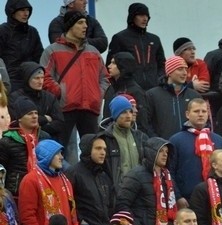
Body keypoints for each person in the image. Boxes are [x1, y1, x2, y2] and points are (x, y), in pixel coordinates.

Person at [40, 10, 108, 147]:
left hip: (90, 108)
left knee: (92, 150)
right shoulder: (52, 51)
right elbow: (44, 76)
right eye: (80, 23)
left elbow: (105, 77)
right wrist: (60, 92)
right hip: (64, 108)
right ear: (70, 26)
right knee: (59, 149)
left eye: (86, 23)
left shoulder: (93, 51)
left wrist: (97, 94)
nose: (85, 26)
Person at [116, 137, 179, 225]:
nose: (165, 155)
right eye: (161, 151)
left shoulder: (168, 177)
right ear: (151, 152)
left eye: (167, 152)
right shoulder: (136, 175)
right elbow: (122, 205)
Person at [17, 139, 80, 225]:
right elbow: (27, 216)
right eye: (57, 154)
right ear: (47, 156)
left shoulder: (64, 180)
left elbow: (72, 211)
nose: (61, 157)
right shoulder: (30, 180)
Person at [169, 98, 222, 203]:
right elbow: (170, 172)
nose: (200, 114)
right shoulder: (176, 140)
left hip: (218, 197)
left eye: (204, 111)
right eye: (196, 111)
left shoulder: (219, 140)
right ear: (187, 114)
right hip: (188, 198)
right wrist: (178, 197)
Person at [107, 2, 165, 91]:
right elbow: (110, 65)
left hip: (154, 90)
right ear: (132, 17)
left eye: (147, 16)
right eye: (141, 15)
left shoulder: (155, 39)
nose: (145, 19)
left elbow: (162, 64)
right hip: (129, 90)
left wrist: (159, 80)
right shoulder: (119, 38)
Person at [141, 56, 200, 139]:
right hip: (164, 147)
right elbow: (146, 123)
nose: (184, 73)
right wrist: (158, 142)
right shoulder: (152, 95)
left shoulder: (194, 95)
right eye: (180, 69)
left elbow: (203, 120)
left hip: (190, 145)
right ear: (169, 72)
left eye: (185, 69)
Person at [0, 0, 43, 92]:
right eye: (22, 10)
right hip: (10, 82)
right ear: (12, 12)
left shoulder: (33, 32)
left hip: (31, 80)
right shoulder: (3, 30)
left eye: (28, 10)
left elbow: (39, 57)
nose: (26, 13)